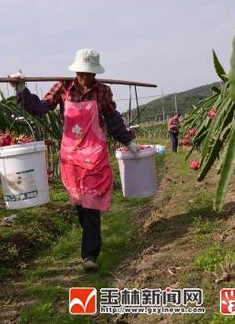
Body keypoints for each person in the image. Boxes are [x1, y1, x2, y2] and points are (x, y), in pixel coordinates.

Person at [10, 49, 140, 272]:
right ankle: (92, 238)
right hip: (71, 156)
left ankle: (89, 255)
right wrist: (22, 90)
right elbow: (41, 108)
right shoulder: (63, 87)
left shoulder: (102, 92)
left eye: (90, 73)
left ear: (95, 73)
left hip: (95, 155)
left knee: (91, 205)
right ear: (76, 70)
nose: (86, 77)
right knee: (80, 204)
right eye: (82, 72)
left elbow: (113, 119)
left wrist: (128, 141)